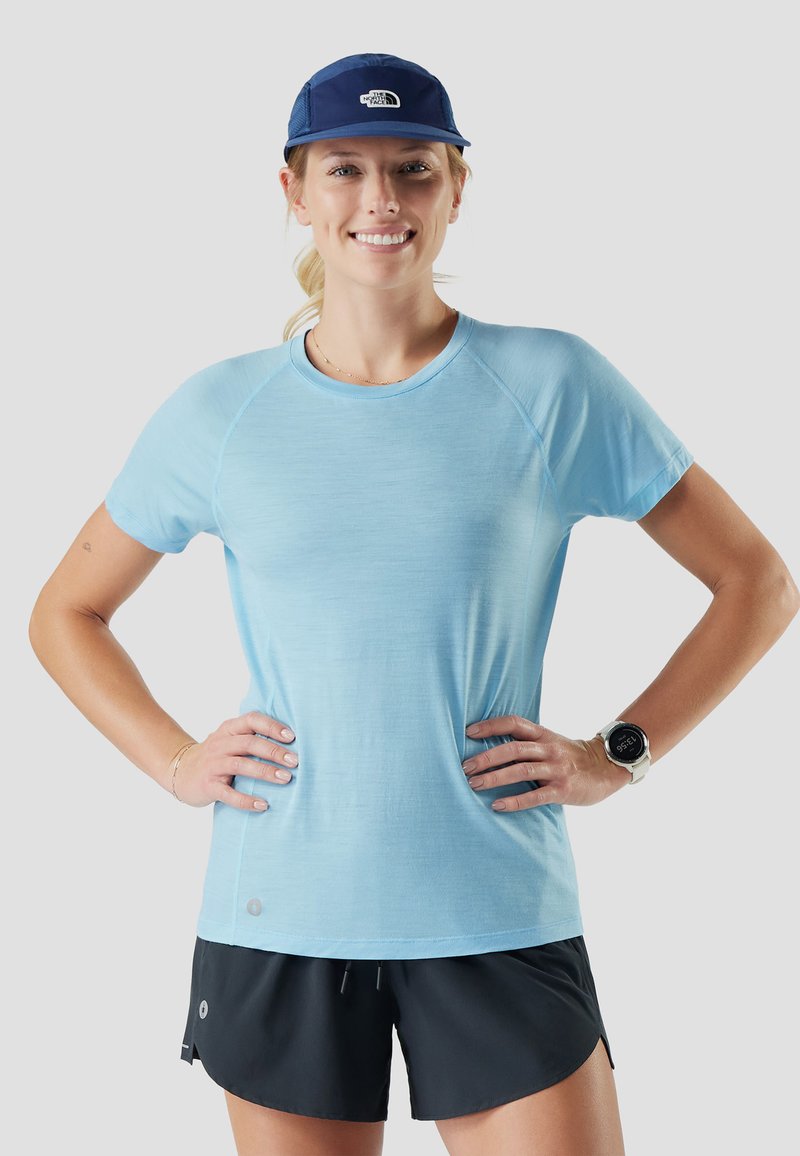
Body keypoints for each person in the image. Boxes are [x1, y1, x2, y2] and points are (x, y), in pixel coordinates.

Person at [28, 50, 799, 1156]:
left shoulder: (550, 384)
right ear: (292, 192)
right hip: (279, 912)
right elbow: (65, 613)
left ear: (455, 191)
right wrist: (171, 757)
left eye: (413, 170)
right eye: (343, 169)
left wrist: (615, 752)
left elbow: (756, 583)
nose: (379, 200)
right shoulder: (220, 412)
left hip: (493, 904)